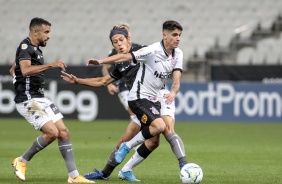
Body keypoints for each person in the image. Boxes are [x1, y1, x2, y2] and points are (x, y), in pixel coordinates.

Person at [64, 20, 188, 181]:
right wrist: (78, 81)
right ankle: (106, 172)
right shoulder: (121, 64)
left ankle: (129, 169)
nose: (119, 44)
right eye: (115, 42)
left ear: (129, 39)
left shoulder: (144, 50)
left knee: (160, 134)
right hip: (141, 100)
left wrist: (172, 91)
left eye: (121, 40)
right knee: (130, 138)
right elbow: (103, 81)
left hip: (159, 96)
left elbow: (163, 61)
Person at [10, 17, 94, 183]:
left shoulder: (35, 50)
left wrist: (16, 80)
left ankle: (74, 176)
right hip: (28, 100)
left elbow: (15, 69)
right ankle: (22, 161)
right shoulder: (26, 47)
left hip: (40, 98)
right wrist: (50, 65)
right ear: (35, 32)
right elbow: (25, 70)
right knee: (52, 133)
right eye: (46, 32)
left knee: (63, 133)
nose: (49, 36)